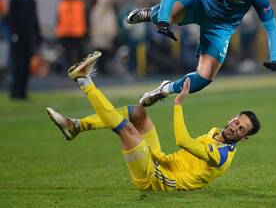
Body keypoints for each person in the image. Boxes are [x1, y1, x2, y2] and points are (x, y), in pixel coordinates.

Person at [46, 51, 261, 191]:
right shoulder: (216, 132)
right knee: (139, 113)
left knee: (127, 129)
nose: (235, 128)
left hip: (155, 179)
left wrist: (178, 104)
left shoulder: (222, 156)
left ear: (244, 138)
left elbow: (183, 141)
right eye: (237, 122)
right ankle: (75, 126)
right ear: (232, 118)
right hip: (160, 160)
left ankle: (84, 80)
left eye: (241, 129)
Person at [127, 0, 276, 107]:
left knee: (204, 78)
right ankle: (150, 13)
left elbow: (271, 27)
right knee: (162, 14)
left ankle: (163, 90)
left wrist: (275, 58)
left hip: (221, 28)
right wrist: (163, 24)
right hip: (199, 6)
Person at [6, 0, 42, 99]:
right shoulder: (15, 0)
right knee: (17, 65)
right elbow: (11, 18)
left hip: (28, 39)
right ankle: (14, 91)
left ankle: (22, 92)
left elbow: (34, 20)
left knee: (26, 66)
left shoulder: (32, 1)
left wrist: (37, 35)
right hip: (18, 39)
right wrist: (14, 33)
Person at [55, 0, 87, 71]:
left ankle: (69, 68)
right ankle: (79, 69)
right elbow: (84, 17)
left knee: (67, 53)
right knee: (78, 52)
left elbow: (58, 19)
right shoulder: (80, 3)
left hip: (65, 32)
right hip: (77, 32)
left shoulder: (62, 4)